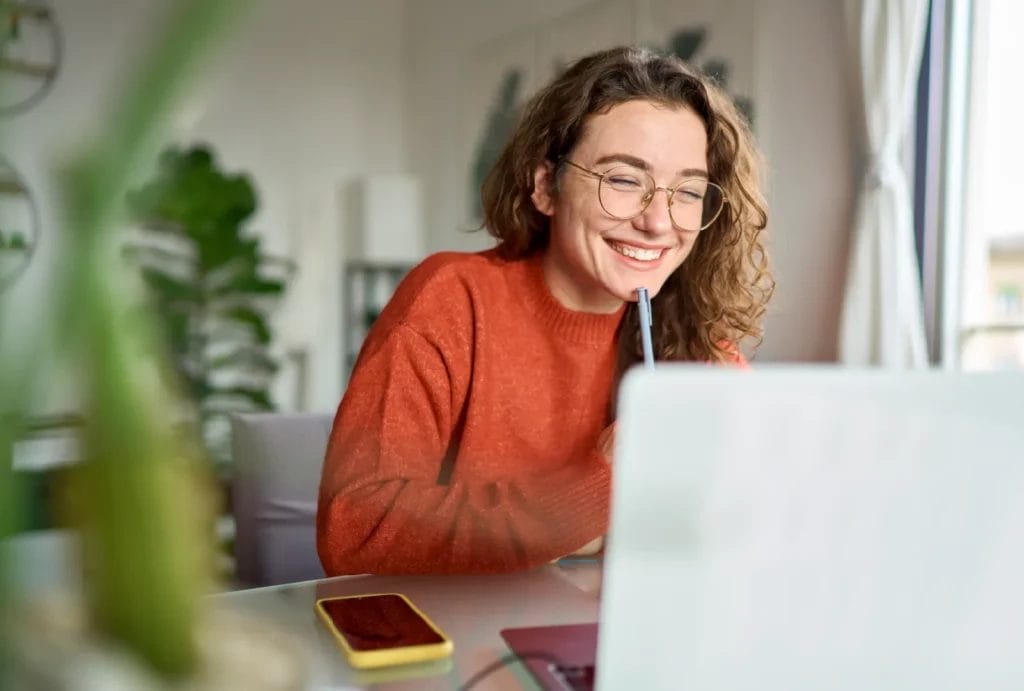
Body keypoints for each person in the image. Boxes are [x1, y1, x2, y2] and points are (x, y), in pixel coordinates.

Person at [317, 46, 773, 576]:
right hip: (456, 646)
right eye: (624, 180)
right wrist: (598, 486)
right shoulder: (451, 299)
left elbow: (749, 528)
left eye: (688, 192)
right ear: (545, 187)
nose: (658, 222)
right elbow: (355, 531)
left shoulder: (695, 341)